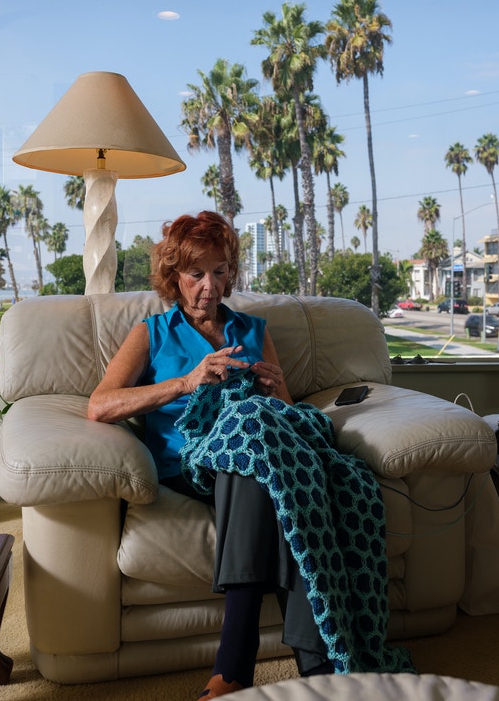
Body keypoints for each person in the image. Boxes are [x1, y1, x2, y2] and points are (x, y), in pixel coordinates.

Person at [88, 211, 405, 698]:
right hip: (189, 463)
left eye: (219, 272)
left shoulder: (254, 331)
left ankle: (255, 670)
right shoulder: (150, 333)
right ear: (174, 277)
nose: (208, 287)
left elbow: (285, 416)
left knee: (283, 465)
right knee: (254, 444)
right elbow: (100, 405)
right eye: (195, 274)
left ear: (231, 274)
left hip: (256, 460)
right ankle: (305, 666)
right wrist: (187, 382)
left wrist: (278, 393)